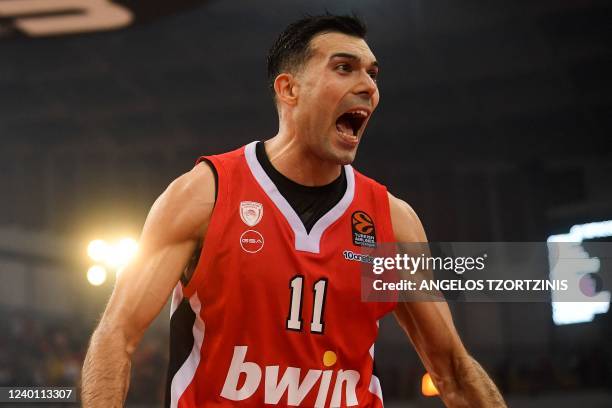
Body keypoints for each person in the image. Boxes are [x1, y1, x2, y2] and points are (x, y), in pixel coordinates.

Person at [82, 14, 506, 408]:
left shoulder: (392, 221)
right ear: (289, 89)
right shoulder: (204, 195)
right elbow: (117, 335)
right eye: (344, 68)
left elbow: (451, 368)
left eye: (372, 73)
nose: (368, 86)